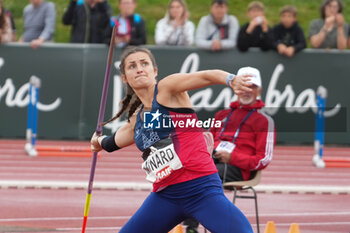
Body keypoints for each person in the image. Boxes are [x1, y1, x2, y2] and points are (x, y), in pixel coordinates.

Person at [90, 46, 254, 233]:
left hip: (200, 190)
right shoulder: (140, 119)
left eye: (144, 63)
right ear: (125, 78)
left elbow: (207, 76)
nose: (140, 68)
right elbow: (111, 143)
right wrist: (98, 141)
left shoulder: (167, 90)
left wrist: (231, 79)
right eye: (132, 66)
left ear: (155, 71)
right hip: (165, 197)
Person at [184, 67, 275, 233]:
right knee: (185, 168)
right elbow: (207, 141)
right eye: (243, 86)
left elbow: (264, 159)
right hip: (213, 161)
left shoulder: (264, 121)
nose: (247, 91)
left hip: (239, 169)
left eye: (252, 87)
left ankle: (192, 228)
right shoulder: (221, 115)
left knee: (203, 175)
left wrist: (232, 157)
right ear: (236, 88)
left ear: (259, 90)